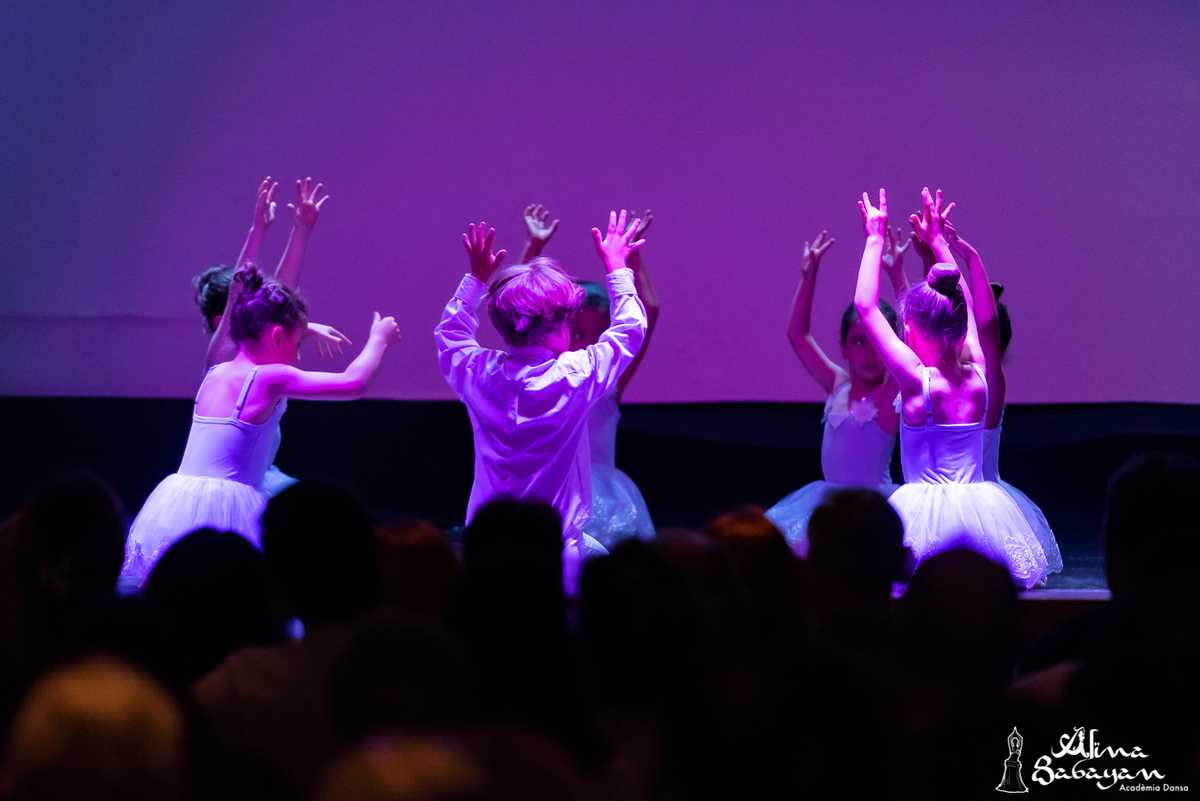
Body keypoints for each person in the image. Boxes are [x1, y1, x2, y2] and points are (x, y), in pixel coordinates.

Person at [121, 266, 400, 587]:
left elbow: (268, 333)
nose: (296, 357)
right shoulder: (268, 378)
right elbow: (353, 383)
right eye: (296, 344)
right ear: (277, 335)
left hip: (176, 503)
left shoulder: (216, 371)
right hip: (229, 511)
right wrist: (379, 339)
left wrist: (304, 328)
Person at [434, 211, 647, 590]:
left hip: (488, 549)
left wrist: (475, 278)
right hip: (554, 556)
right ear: (563, 325)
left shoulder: (478, 374)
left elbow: (450, 331)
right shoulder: (575, 376)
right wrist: (617, 266)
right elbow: (631, 329)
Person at [852, 187, 1047, 589]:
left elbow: (866, 307)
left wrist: (875, 237)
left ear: (914, 331)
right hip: (984, 516)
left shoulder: (917, 380)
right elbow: (977, 315)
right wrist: (942, 243)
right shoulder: (977, 373)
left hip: (922, 516)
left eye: (907, 327)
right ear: (959, 330)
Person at [192, 176, 348, 496]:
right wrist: (257, 229)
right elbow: (245, 290)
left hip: (259, 477)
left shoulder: (262, 354)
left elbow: (281, 294)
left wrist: (301, 230)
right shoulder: (223, 359)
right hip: (232, 490)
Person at [521, 202, 657, 548]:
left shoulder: (608, 377)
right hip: (553, 491)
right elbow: (517, 310)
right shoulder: (547, 373)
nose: (590, 344)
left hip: (606, 502)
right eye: (579, 334)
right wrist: (533, 247)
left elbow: (650, 310)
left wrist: (629, 260)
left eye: (599, 335)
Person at [765, 226, 909, 553]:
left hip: (872, 506)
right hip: (827, 502)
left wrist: (897, 274)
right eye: (860, 342)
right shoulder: (836, 383)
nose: (870, 354)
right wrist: (808, 277)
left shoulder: (889, 395)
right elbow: (798, 336)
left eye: (878, 344)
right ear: (843, 346)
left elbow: (912, 339)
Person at [943, 223, 1063, 578]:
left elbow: (983, 325)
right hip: (939, 504)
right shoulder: (933, 382)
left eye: (964, 332)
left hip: (985, 512)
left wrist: (959, 255)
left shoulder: (987, 383)